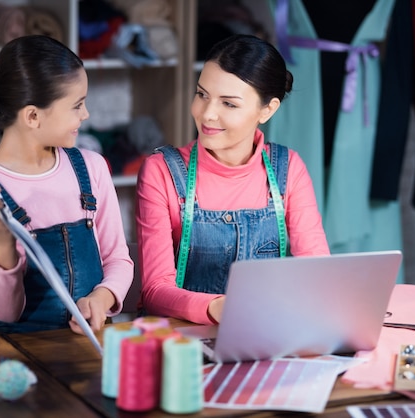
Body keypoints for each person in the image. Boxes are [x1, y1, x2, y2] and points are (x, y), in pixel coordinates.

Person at [135, 34, 330, 325]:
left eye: (228, 104)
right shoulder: (161, 171)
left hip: (261, 331)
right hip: (184, 341)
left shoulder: (287, 169)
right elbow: (155, 290)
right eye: (202, 95)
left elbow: (316, 271)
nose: (207, 114)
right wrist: (219, 308)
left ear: (268, 110)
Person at [0, 35, 133, 334]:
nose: (86, 114)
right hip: (23, 352)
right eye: (77, 105)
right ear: (33, 116)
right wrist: (2, 242)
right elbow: (5, 312)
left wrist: (102, 298)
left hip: (89, 344)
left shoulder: (92, 169)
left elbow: (118, 258)